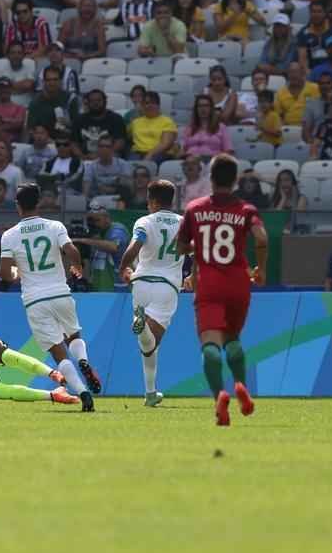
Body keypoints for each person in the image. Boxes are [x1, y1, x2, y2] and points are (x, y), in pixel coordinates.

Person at [175, 154, 268, 426]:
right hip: (239, 282)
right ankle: (241, 384)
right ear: (236, 179)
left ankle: (220, 397)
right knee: (233, 340)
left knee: (211, 346)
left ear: (211, 178)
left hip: (209, 283)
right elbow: (261, 239)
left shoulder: (194, 208)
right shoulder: (247, 210)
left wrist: (199, 249)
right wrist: (260, 269)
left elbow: (181, 247)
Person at [0, 183, 100, 411]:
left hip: (35, 299)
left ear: (17, 205)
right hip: (60, 292)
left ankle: (82, 392)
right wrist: (77, 266)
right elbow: (72, 250)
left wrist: (16, 273)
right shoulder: (55, 226)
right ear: (39, 202)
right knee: (74, 336)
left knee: (57, 351)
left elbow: (5, 273)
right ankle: (83, 359)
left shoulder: (9, 235)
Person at [118, 178, 183, 406]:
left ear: (153, 202)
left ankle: (150, 394)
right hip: (168, 286)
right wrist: (194, 274)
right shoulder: (184, 223)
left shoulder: (145, 221)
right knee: (152, 343)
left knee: (147, 345)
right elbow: (194, 252)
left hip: (141, 283)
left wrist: (124, 267)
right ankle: (142, 324)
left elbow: (134, 247)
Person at [75, 197, 129, 291]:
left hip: (116, 288)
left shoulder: (117, 229)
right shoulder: (94, 234)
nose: (94, 224)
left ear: (107, 218)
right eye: (90, 221)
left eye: (97, 220)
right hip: (98, 288)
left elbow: (114, 247)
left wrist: (84, 241)